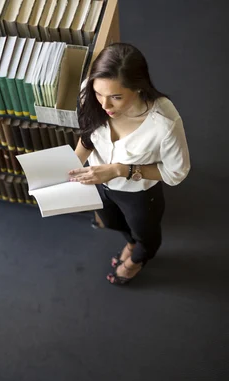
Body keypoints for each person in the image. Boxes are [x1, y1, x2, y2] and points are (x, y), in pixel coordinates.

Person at [68, 43, 190, 285]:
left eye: (116, 97)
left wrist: (119, 170)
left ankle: (135, 261)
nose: (104, 105)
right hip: (97, 182)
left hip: (138, 193)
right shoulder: (90, 92)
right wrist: (71, 165)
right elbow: (88, 134)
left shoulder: (164, 123)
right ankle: (130, 243)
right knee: (113, 222)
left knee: (147, 236)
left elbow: (176, 173)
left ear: (138, 88)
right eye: (99, 94)